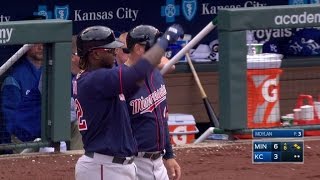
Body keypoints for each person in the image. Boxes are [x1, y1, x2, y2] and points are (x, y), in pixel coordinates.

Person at [74, 24, 183, 180]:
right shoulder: (95, 79)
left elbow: (136, 77)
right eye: (110, 50)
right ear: (95, 54)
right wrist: (164, 42)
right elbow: (135, 74)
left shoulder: (99, 80)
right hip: (104, 167)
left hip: (113, 165)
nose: (115, 52)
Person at [124, 25, 181, 180]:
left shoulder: (156, 73)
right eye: (156, 46)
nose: (160, 50)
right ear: (138, 48)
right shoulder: (121, 81)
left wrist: (169, 155)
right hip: (132, 162)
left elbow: (162, 119)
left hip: (158, 163)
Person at [1, 43, 43, 145]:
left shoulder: (54, 70)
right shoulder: (15, 77)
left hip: (48, 134)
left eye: (43, 43)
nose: (40, 47)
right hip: (22, 139)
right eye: (35, 43)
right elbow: (10, 115)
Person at [70, 36, 83, 150]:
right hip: (27, 134)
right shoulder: (54, 73)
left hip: (67, 125)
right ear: (73, 57)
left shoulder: (85, 74)